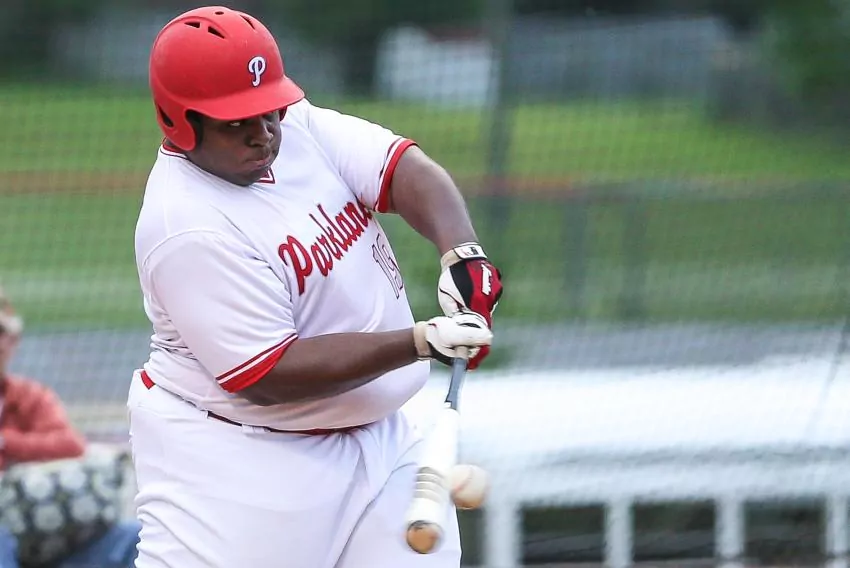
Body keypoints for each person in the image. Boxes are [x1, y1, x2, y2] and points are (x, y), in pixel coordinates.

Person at [129, 6, 504, 568]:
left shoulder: (295, 125)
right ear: (180, 121)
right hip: (238, 464)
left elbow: (400, 169)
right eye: (236, 121)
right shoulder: (185, 224)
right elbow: (268, 374)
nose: (264, 133)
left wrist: (462, 253)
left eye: (269, 110)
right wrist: (419, 341)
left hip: (382, 436)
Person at [0, 285, 141, 568]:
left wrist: (6, 442)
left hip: (44, 531)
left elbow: (70, 444)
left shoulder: (28, 397)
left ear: (13, 342)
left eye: (2, 333)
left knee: (133, 538)